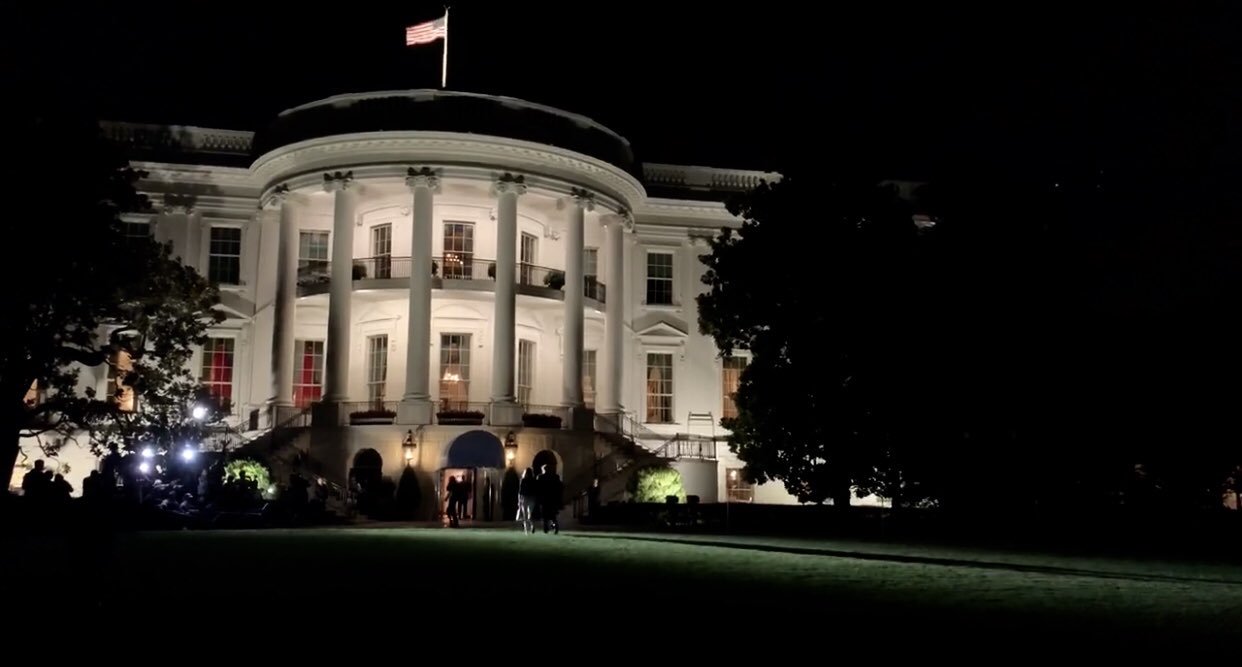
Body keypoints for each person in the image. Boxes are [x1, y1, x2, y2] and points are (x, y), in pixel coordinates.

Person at [537, 464, 563, 535]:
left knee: (545, 515)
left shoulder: (540, 477)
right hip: (552, 499)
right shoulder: (555, 477)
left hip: (544, 499)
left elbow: (538, 488)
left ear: (543, 470)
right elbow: (560, 487)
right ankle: (555, 527)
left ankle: (546, 529)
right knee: (553, 515)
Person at [517, 467, 538, 534]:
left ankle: (526, 529)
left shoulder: (523, 480)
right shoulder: (534, 480)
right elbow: (535, 490)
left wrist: (519, 500)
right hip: (532, 498)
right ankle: (532, 525)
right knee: (530, 514)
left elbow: (520, 491)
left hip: (524, 498)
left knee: (525, 514)